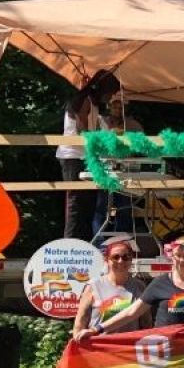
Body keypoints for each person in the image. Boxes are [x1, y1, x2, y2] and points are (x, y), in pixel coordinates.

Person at [75, 237, 184, 340]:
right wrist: (97, 329)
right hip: (165, 351)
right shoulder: (159, 283)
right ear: (171, 256)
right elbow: (131, 312)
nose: (182, 260)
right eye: (178, 255)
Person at [58, 70, 118, 240]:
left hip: (85, 156)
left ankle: (83, 242)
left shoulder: (93, 104)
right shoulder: (83, 100)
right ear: (102, 89)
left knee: (88, 204)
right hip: (73, 156)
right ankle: (70, 244)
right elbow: (82, 130)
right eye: (110, 93)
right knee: (76, 205)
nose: (111, 97)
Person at [71, 237, 150, 338]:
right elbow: (80, 323)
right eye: (115, 257)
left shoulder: (139, 286)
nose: (121, 261)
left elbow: (146, 323)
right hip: (99, 348)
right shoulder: (93, 286)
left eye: (126, 257)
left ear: (131, 260)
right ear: (106, 260)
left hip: (129, 348)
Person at [92, 90, 144, 234]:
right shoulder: (100, 121)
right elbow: (92, 142)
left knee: (124, 206)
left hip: (127, 169)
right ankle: (100, 242)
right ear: (109, 106)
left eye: (121, 107)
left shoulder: (134, 124)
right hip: (105, 168)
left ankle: (122, 239)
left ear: (125, 108)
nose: (117, 109)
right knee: (102, 206)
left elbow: (141, 147)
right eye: (115, 106)